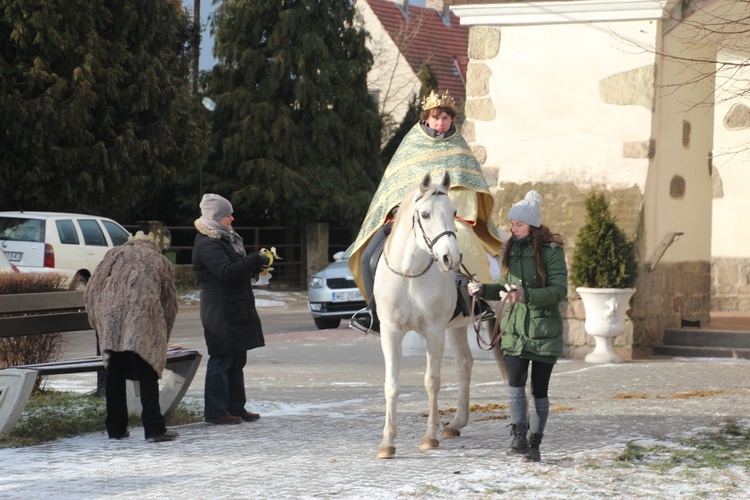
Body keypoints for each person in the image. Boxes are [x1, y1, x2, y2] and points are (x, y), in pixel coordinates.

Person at [349, 89, 504, 334]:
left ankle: (478, 302)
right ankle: (372, 311)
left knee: (476, 255)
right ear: (426, 118)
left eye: (445, 118)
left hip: (450, 217)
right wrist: (401, 209)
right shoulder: (411, 143)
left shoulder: (460, 147)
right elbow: (394, 185)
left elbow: (468, 187)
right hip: (407, 219)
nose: (441, 123)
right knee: (370, 256)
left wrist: (455, 211)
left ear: (452, 119)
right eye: (436, 118)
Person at [468, 190, 567, 462]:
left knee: (539, 389)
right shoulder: (509, 250)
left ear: (532, 225)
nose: (513, 228)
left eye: (518, 224)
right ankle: (518, 436)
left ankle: (535, 443)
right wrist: (482, 289)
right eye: (511, 224)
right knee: (514, 384)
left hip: (543, 330)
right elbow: (504, 287)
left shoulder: (552, 252)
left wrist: (527, 295)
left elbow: (560, 290)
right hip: (513, 329)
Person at [84, 232, 179, 442]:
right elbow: (169, 303)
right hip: (142, 316)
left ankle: (116, 428)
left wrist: (98, 322)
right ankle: (154, 428)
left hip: (111, 317)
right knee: (147, 367)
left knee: (115, 370)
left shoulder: (113, 255)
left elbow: (92, 290)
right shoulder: (159, 260)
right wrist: (162, 338)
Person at [192, 193, 271, 425]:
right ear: (217, 217)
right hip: (219, 310)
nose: (232, 218)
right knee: (221, 359)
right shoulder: (207, 243)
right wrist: (255, 260)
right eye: (228, 215)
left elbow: (236, 268)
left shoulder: (226, 239)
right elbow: (225, 272)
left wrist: (259, 268)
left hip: (235, 306)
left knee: (237, 358)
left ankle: (236, 407)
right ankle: (216, 411)